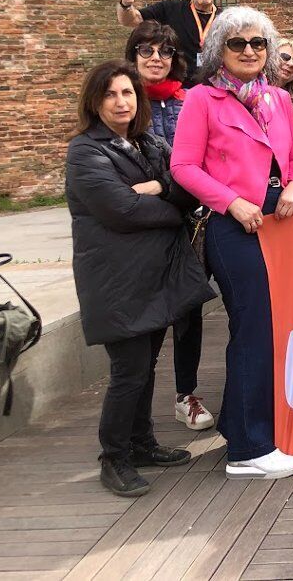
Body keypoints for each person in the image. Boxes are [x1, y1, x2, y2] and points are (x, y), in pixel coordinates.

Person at [170, 6, 293, 479]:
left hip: (280, 222)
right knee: (253, 327)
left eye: (258, 43)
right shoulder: (202, 99)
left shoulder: (278, 99)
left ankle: (241, 424)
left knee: (274, 325)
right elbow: (183, 167)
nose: (249, 51)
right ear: (218, 51)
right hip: (233, 226)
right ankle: (248, 448)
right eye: (238, 44)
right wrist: (232, 203)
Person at [66, 60, 214, 497]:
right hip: (115, 280)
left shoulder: (148, 142)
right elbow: (121, 210)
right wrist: (173, 203)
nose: (121, 101)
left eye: (128, 92)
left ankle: (142, 443)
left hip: (152, 276)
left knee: (146, 367)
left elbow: (187, 184)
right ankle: (113, 456)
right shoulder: (85, 151)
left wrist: (156, 189)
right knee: (128, 371)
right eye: (111, 94)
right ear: (95, 102)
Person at [123, 22, 214, 432]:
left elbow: (202, 163)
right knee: (146, 321)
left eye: (163, 51)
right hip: (143, 228)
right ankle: (134, 416)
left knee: (188, 310)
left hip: (193, 222)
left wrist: (164, 184)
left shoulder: (192, 101)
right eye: (146, 50)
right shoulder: (123, 103)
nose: (155, 58)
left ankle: (186, 393)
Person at [117, 0, 222, 79]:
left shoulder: (226, 18)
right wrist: (125, 5)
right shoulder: (169, 9)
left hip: (214, 86)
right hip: (178, 88)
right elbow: (131, 20)